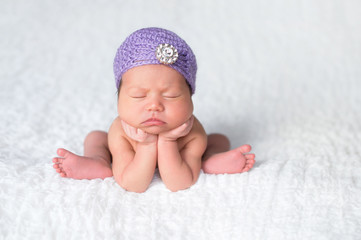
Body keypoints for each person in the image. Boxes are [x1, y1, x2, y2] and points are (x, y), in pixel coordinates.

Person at [52, 27, 255, 193]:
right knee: (96, 137)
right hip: (129, 151)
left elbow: (180, 183)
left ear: (190, 96)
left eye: (171, 95)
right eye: (139, 96)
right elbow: (132, 184)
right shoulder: (121, 131)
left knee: (217, 138)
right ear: (119, 97)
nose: (154, 106)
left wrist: (167, 141)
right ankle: (99, 160)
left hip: (182, 147)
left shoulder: (193, 133)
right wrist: (147, 145)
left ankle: (211, 158)